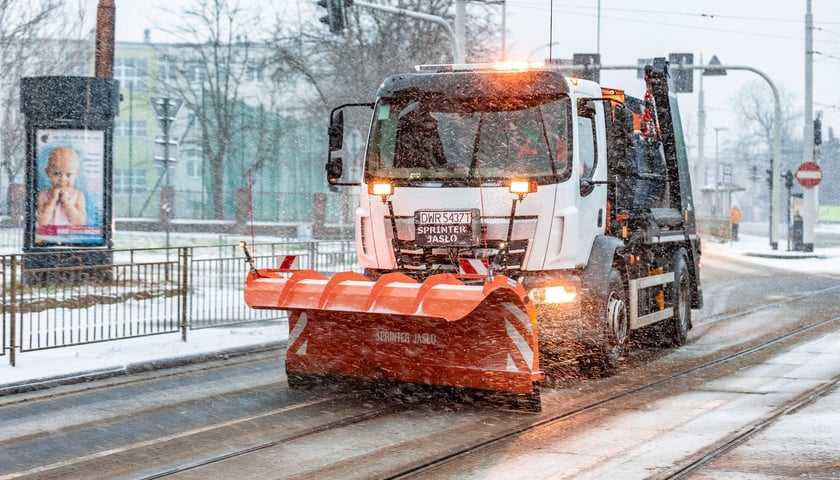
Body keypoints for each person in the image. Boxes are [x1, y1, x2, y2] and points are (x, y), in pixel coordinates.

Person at [37, 146, 87, 227]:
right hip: (49, 237)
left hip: (70, 238)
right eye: (56, 174)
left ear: (76, 174)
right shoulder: (43, 195)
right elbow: (42, 222)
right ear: (47, 172)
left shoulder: (78, 196)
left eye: (68, 174)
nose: (62, 179)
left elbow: (80, 222)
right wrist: (52, 200)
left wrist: (66, 201)